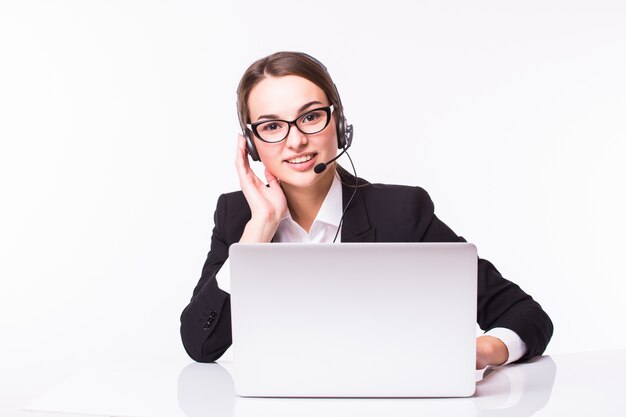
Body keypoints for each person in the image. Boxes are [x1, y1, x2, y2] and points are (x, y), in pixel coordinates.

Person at [180, 51, 553, 368]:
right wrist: (257, 234)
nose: (295, 140)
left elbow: (525, 315)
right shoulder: (237, 217)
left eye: (311, 117)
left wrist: (483, 351)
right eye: (272, 126)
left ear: (338, 124)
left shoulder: (401, 212)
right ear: (252, 144)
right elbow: (201, 345)